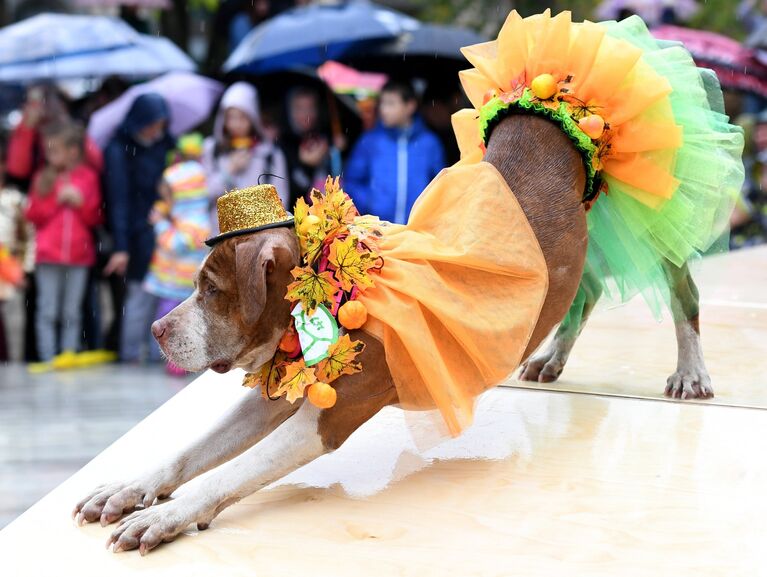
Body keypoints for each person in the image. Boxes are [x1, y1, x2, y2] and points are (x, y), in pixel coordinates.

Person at [103, 93, 175, 363]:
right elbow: (118, 201)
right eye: (152, 123)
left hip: (166, 228)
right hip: (136, 232)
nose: (156, 130)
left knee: (165, 296)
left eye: (161, 123)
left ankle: (161, 356)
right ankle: (131, 356)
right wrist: (121, 246)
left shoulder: (166, 145)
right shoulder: (118, 149)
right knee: (138, 297)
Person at [24, 123, 102, 366]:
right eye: (49, 151)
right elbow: (33, 215)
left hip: (79, 255)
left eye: (55, 151)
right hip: (48, 255)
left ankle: (67, 354)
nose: (50, 156)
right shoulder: (42, 178)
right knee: (47, 309)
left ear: (73, 151)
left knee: (72, 311)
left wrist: (80, 203)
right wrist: (56, 201)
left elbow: (96, 217)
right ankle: (48, 357)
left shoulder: (88, 177)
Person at [143, 134, 211, 375]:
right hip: (170, 281)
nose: (166, 201)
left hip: (182, 286)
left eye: (169, 196)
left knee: (176, 324)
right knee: (162, 321)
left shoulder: (196, 223)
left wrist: (161, 225)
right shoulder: (182, 219)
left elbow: (175, 245)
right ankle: (160, 357)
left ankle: (177, 363)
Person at [343, 80, 445, 224]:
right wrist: (371, 203)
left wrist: (427, 212)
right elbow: (352, 181)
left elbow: (441, 185)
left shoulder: (429, 143)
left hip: (418, 230)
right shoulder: (370, 141)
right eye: (382, 103)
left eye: (391, 103)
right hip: (377, 231)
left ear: (410, 106)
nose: (384, 109)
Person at [202, 82, 288, 229]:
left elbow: (281, 199)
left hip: (258, 235)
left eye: (243, 117)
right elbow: (203, 194)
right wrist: (228, 171)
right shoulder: (212, 149)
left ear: (253, 118)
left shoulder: (270, 154)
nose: (236, 124)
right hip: (220, 236)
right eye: (231, 117)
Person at [282, 86, 337, 205]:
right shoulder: (284, 144)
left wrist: (337, 151)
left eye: (310, 108)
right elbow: (291, 194)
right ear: (290, 111)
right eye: (299, 108)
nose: (306, 114)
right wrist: (307, 166)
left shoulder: (327, 136)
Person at [0, 142, 28, 362]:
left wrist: (24, 268)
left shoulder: (14, 199)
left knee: (11, 320)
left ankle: (10, 361)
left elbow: (27, 234)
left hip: (10, 267)